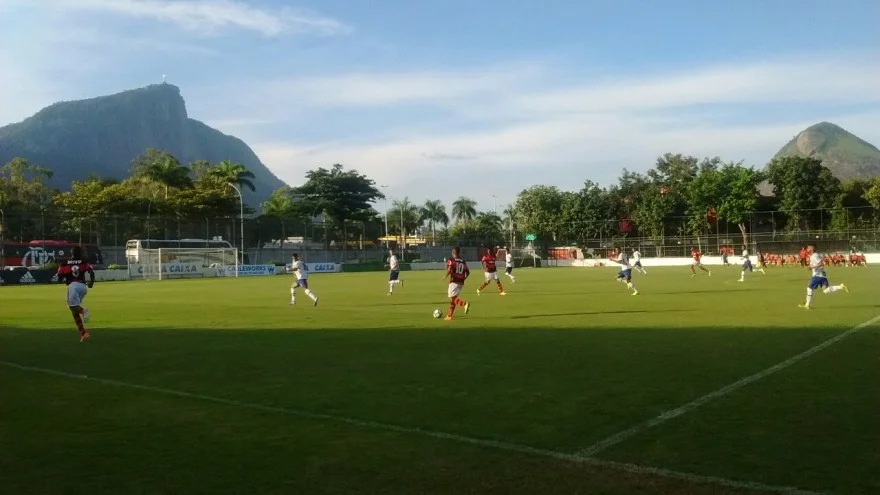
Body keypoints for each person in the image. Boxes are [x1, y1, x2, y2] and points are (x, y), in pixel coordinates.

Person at [56, 245, 95, 342]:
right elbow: (91, 272)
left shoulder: (65, 263)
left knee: (72, 307)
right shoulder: (84, 261)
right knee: (74, 310)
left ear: (72, 253)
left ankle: (83, 311)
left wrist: (62, 279)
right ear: (81, 253)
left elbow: (59, 277)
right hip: (83, 287)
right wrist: (91, 283)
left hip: (73, 286)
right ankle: (83, 333)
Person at [799, 243, 848, 309]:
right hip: (822, 275)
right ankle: (840, 287)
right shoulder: (814, 256)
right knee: (825, 290)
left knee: (809, 288)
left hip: (817, 276)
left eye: (808, 248)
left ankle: (807, 305)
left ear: (812, 248)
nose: (807, 249)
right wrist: (811, 266)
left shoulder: (814, 256)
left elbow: (821, 264)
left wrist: (812, 267)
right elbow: (819, 264)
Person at [443, 246, 471, 320]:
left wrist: (445, 276)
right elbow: (468, 272)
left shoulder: (451, 260)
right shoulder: (463, 261)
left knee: (451, 298)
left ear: (453, 253)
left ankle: (464, 304)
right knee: (454, 298)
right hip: (461, 282)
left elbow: (449, 269)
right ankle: (449, 315)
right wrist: (464, 278)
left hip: (454, 281)